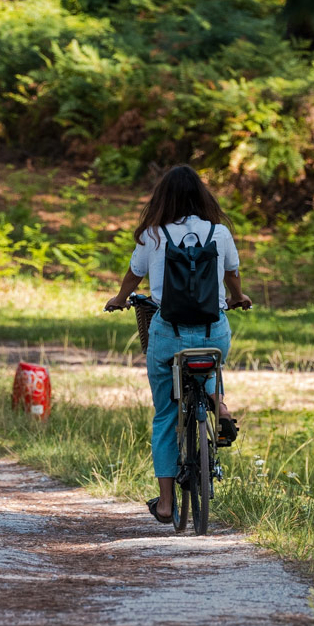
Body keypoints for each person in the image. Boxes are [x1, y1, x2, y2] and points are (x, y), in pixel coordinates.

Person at [103, 164, 251, 525]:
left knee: (166, 415)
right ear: (202, 196)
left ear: (163, 198)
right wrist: (236, 296)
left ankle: (167, 503)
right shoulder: (220, 232)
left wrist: (120, 298)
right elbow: (232, 274)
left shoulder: (153, 234)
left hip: (167, 332)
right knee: (209, 367)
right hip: (212, 330)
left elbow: (135, 273)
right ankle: (219, 405)